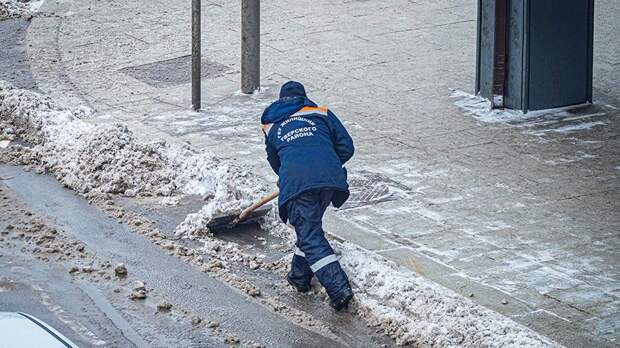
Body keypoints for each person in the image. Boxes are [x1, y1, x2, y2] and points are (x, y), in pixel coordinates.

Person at [261, 81, 355, 311]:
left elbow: (275, 161)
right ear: (303, 98)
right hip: (329, 180)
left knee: (310, 236)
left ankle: (339, 288)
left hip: (298, 182)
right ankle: (298, 276)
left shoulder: (272, 125)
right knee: (310, 228)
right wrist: (326, 164)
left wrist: (295, 174)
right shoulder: (320, 112)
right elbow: (347, 146)